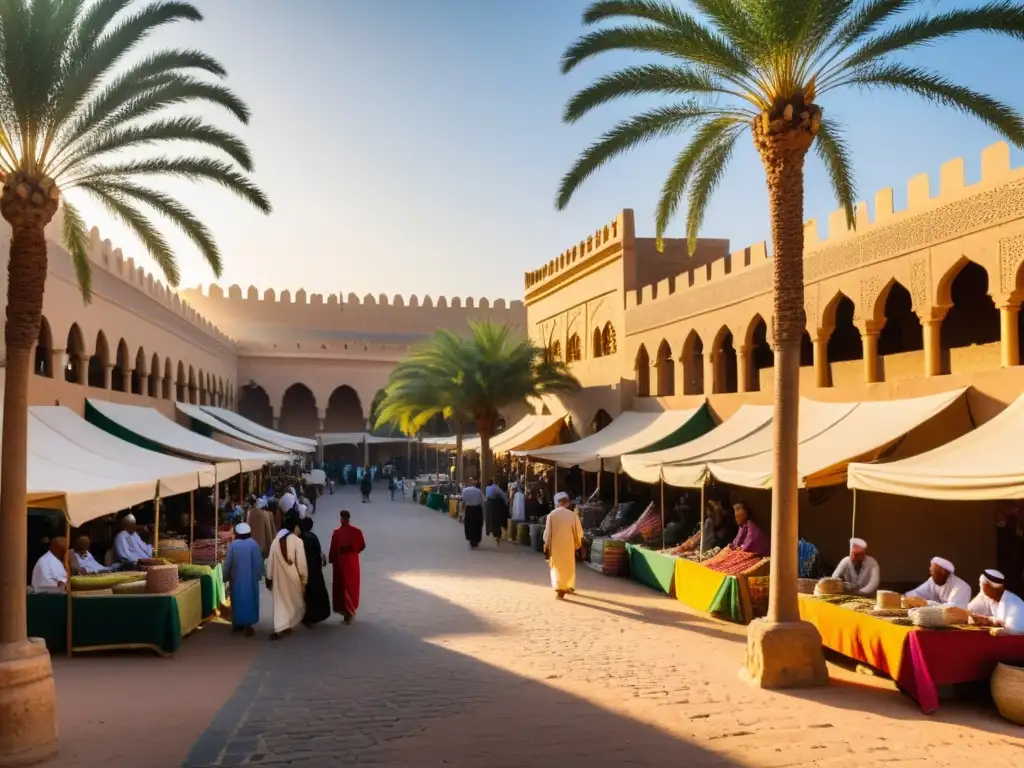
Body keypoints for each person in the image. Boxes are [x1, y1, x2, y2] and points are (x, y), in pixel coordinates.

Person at [265, 513, 308, 640]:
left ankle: (281, 626)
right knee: (294, 601)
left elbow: (270, 560)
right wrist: (304, 578)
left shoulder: (275, 540)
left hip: (278, 578)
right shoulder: (297, 541)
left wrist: (269, 576)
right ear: (295, 527)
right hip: (292, 577)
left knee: (280, 603)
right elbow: (301, 562)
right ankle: (284, 625)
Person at [223, 522, 263, 636]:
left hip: (236, 580)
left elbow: (228, 563)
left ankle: (237, 624)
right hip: (251, 580)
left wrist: (225, 577)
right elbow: (259, 563)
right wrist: (258, 576)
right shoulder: (254, 544)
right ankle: (249, 624)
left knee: (237, 600)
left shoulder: (233, 545)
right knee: (251, 600)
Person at [544, 492, 584, 599]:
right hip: (569, 545)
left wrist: (547, 544)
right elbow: (579, 532)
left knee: (556, 567)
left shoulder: (551, 515)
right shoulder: (572, 515)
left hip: (555, 546)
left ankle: (559, 588)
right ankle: (568, 586)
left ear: (558, 503)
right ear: (567, 503)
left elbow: (547, 533)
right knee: (568, 567)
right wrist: (577, 543)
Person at [329, 510, 366, 624]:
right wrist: (353, 553)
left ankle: (348, 612)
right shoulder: (355, 532)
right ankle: (348, 612)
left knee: (347, 587)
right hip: (349, 563)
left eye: (342, 518)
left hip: (345, 564)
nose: (342, 520)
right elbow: (362, 546)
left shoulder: (338, 533)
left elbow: (333, 550)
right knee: (348, 587)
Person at [969, 569, 1024, 634]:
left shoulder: (1014, 604)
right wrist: (989, 620)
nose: (980, 586)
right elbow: (971, 610)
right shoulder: (992, 599)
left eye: (981, 584)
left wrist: (991, 628)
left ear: (988, 586)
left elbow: (1014, 632)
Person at [298, 517, 330, 626]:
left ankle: (307, 616)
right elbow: (319, 552)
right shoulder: (313, 537)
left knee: (307, 593)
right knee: (316, 592)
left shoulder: (300, 538)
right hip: (315, 568)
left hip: (305, 568)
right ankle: (315, 616)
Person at [905, 556, 971, 608]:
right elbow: (918, 593)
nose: (930, 569)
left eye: (932, 568)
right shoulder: (932, 581)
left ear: (942, 571)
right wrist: (907, 598)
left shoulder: (961, 587)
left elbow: (953, 609)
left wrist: (926, 603)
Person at [485, 478, 509, 546]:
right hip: (497, 506)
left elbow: (486, 498)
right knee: (497, 521)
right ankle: (497, 535)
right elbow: (504, 497)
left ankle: (490, 532)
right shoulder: (497, 488)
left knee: (490, 520)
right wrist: (506, 504)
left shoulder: (487, 488)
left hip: (489, 505)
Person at [461, 479, 485, 548]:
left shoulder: (464, 490)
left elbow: (463, 499)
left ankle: (470, 538)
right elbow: (482, 500)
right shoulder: (478, 491)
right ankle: (476, 539)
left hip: (469, 509)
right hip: (477, 509)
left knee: (469, 524)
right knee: (477, 525)